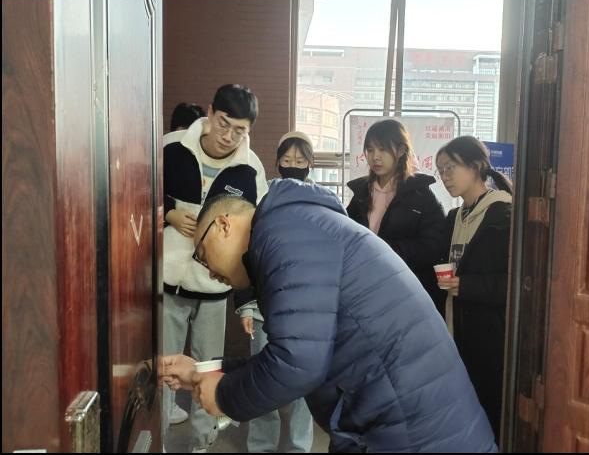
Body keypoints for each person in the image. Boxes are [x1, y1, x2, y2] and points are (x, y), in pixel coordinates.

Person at [161, 179, 498, 453]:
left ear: (223, 225)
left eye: (202, 254)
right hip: (405, 419)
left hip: (414, 430)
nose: (209, 271)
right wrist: (202, 372)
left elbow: (298, 362)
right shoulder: (296, 226)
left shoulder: (283, 233)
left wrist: (224, 395)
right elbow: (291, 352)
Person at [162, 84, 268, 452]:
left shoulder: (250, 169)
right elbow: (137, 190)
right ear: (210, 112)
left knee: (207, 370)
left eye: (240, 130)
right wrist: (170, 214)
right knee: (165, 370)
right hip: (168, 283)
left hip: (214, 288)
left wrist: (248, 300)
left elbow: (255, 233)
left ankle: (202, 443)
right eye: (224, 123)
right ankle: (157, 440)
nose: (229, 136)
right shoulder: (171, 147)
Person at [234, 131, 315, 453]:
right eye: (287, 159)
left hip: (306, 308)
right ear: (277, 161)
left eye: (300, 160)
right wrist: (246, 304)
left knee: (305, 381)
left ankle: (299, 447)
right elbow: (244, 252)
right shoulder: (262, 196)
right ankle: (261, 445)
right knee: (262, 378)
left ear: (310, 164)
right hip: (264, 305)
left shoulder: (321, 200)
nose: (293, 165)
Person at [435, 136, 513, 443]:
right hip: (457, 333)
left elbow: (515, 284)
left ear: (476, 166)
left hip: (490, 341)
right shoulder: (455, 217)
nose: (445, 176)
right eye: (441, 170)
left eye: (451, 167)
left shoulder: (502, 215)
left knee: (489, 417)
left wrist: (467, 286)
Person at [347, 119, 447, 316]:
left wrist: (387, 249)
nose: (375, 157)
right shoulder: (361, 194)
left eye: (383, 149)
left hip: (407, 292)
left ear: (401, 151)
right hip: (366, 290)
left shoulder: (421, 194)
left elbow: (435, 246)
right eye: (370, 150)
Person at [162, 101, 207, 426]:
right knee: (173, 359)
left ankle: (196, 430)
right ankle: (166, 423)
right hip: (171, 275)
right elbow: (145, 189)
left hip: (209, 279)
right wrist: (171, 213)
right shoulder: (168, 150)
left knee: (201, 361)